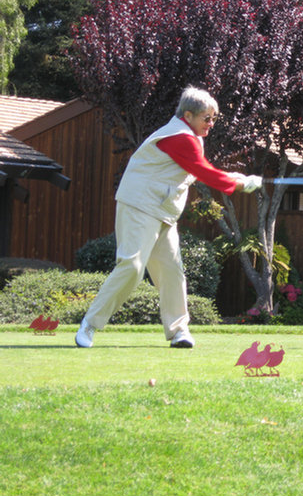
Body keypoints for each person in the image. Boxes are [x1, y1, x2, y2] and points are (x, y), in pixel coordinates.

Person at [75, 86, 260, 348]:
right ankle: (90, 325)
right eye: (207, 118)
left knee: (172, 272)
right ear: (188, 115)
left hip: (164, 213)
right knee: (132, 267)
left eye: (214, 118)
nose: (211, 124)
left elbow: (196, 170)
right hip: (140, 205)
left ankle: (178, 332)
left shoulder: (191, 137)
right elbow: (203, 171)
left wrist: (236, 178)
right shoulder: (179, 137)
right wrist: (238, 185)